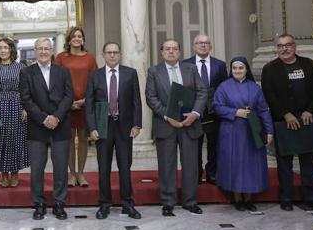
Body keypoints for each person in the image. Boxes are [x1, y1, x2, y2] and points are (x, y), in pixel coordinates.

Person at [261, 34, 313, 212]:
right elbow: (269, 95)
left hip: (307, 120)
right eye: (281, 46)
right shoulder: (270, 69)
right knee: (284, 164)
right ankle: (287, 198)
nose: (285, 49)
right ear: (277, 49)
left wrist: (310, 111)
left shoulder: (309, 65)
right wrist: (285, 114)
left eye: (288, 45)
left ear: (295, 46)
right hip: (284, 123)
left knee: (309, 163)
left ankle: (312, 198)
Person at [145, 39, 207, 216]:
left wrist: (195, 113)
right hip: (166, 124)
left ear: (179, 52)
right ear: (162, 52)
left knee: (190, 164)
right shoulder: (154, 71)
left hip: (189, 124)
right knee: (166, 164)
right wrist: (168, 116)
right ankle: (168, 202)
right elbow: (151, 97)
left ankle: (190, 201)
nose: (171, 52)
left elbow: (202, 92)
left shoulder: (191, 69)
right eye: (167, 49)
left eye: (174, 49)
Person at [85, 42, 142, 219]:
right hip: (103, 126)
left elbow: (136, 102)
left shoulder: (130, 73)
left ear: (120, 54)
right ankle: (104, 204)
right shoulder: (94, 76)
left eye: (115, 52)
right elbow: (89, 105)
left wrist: (136, 124)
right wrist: (92, 127)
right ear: (103, 54)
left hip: (124, 127)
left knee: (125, 166)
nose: (112, 55)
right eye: (109, 52)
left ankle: (127, 203)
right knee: (104, 167)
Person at [19, 37, 74, 220]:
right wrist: (44, 118)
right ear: (35, 51)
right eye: (40, 48)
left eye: (47, 48)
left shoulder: (63, 71)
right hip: (37, 128)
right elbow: (26, 100)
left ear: (52, 51)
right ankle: (39, 204)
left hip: (61, 127)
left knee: (60, 168)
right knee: (36, 169)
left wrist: (56, 117)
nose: (43, 51)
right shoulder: (26, 72)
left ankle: (59, 203)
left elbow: (69, 96)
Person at [214, 57, 274, 211]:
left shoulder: (255, 87)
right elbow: (217, 107)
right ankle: (237, 199)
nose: (238, 71)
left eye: (241, 68)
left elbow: (263, 110)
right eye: (235, 68)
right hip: (231, 131)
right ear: (231, 70)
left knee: (251, 165)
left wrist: (269, 131)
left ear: (246, 69)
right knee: (234, 164)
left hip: (252, 131)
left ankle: (248, 199)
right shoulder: (223, 87)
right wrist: (236, 112)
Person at [55, 27, 98, 187]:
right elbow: (56, 82)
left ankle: (81, 174)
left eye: (80, 36)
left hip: (85, 104)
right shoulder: (61, 58)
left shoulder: (90, 58)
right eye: (74, 36)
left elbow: (96, 81)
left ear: (83, 39)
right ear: (69, 39)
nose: (77, 39)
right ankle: (71, 174)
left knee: (83, 140)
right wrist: (68, 103)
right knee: (69, 140)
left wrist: (86, 100)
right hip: (67, 106)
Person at [183, 34, 227, 184]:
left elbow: (223, 88)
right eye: (200, 43)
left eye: (206, 43)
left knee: (214, 144)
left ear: (210, 46)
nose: (203, 45)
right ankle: (196, 174)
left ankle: (212, 173)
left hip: (213, 112)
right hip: (193, 111)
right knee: (194, 145)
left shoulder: (220, 65)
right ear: (194, 46)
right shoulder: (185, 64)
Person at [0, 37, 29, 188]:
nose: (3, 50)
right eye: (0, 48)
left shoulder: (21, 68)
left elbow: (26, 90)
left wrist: (25, 108)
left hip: (17, 107)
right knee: (0, 141)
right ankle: (4, 174)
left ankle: (15, 173)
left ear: (11, 49)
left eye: (6, 47)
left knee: (15, 140)